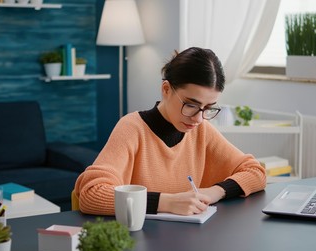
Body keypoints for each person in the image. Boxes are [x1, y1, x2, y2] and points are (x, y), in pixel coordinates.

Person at [74, 47, 266, 216]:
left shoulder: (202, 131)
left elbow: (255, 172)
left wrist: (213, 191)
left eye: (208, 108)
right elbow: (92, 195)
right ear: (166, 89)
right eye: (191, 105)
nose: (198, 118)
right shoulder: (132, 128)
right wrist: (167, 203)